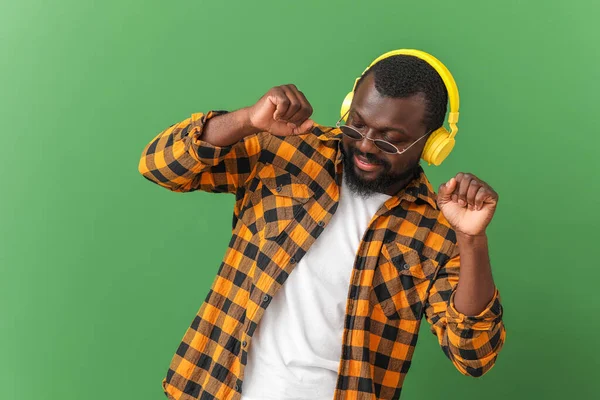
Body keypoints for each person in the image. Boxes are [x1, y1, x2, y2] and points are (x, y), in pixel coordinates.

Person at [138, 49, 506, 400]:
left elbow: (474, 355)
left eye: (390, 141)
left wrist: (472, 240)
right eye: (356, 124)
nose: (365, 145)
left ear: (433, 145)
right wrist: (246, 119)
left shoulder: (438, 232)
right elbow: (158, 166)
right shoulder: (286, 149)